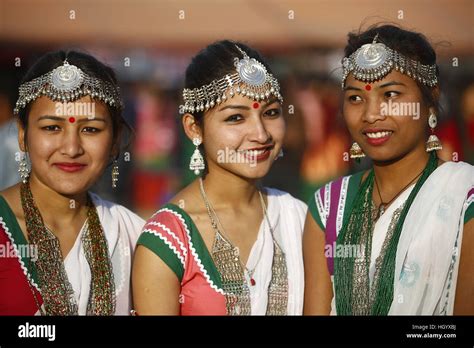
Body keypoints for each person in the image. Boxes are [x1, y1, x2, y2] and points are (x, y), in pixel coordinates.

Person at [303, 25, 474, 315]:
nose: (371, 115)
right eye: (356, 98)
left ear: (429, 100)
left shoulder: (463, 198)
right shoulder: (328, 206)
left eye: (391, 95)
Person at [133, 40, 307, 315]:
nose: (261, 134)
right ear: (193, 128)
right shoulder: (168, 240)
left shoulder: (299, 219)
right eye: (236, 118)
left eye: (271, 113)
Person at [0, 50, 145, 315]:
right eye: (51, 128)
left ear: (115, 142)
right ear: (22, 135)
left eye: (90, 129)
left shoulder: (135, 235)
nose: (71, 148)